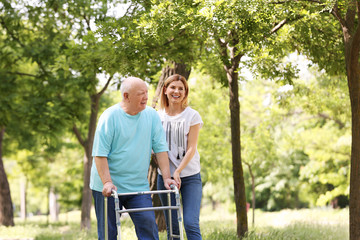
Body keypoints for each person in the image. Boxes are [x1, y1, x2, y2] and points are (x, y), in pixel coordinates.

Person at [90, 77, 178, 240]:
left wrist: (167, 177)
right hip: (108, 185)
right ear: (126, 96)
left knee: (148, 227)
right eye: (140, 94)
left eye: (146, 92)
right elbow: (100, 154)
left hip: (137, 186)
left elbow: (160, 149)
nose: (146, 97)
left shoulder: (151, 116)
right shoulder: (109, 117)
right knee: (109, 234)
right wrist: (107, 182)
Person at [157, 74, 203, 240]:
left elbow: (191, 148)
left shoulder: (192, 116)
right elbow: (155, 148)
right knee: (173, 227)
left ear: (185, 93)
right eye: (173, 87)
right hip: (165, 178)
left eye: (181, 88)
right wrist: (168, 174)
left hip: (190, 177)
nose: (176, 91)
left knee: (190, 223)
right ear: (165, 90)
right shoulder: (157, 116)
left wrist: (178, 171)